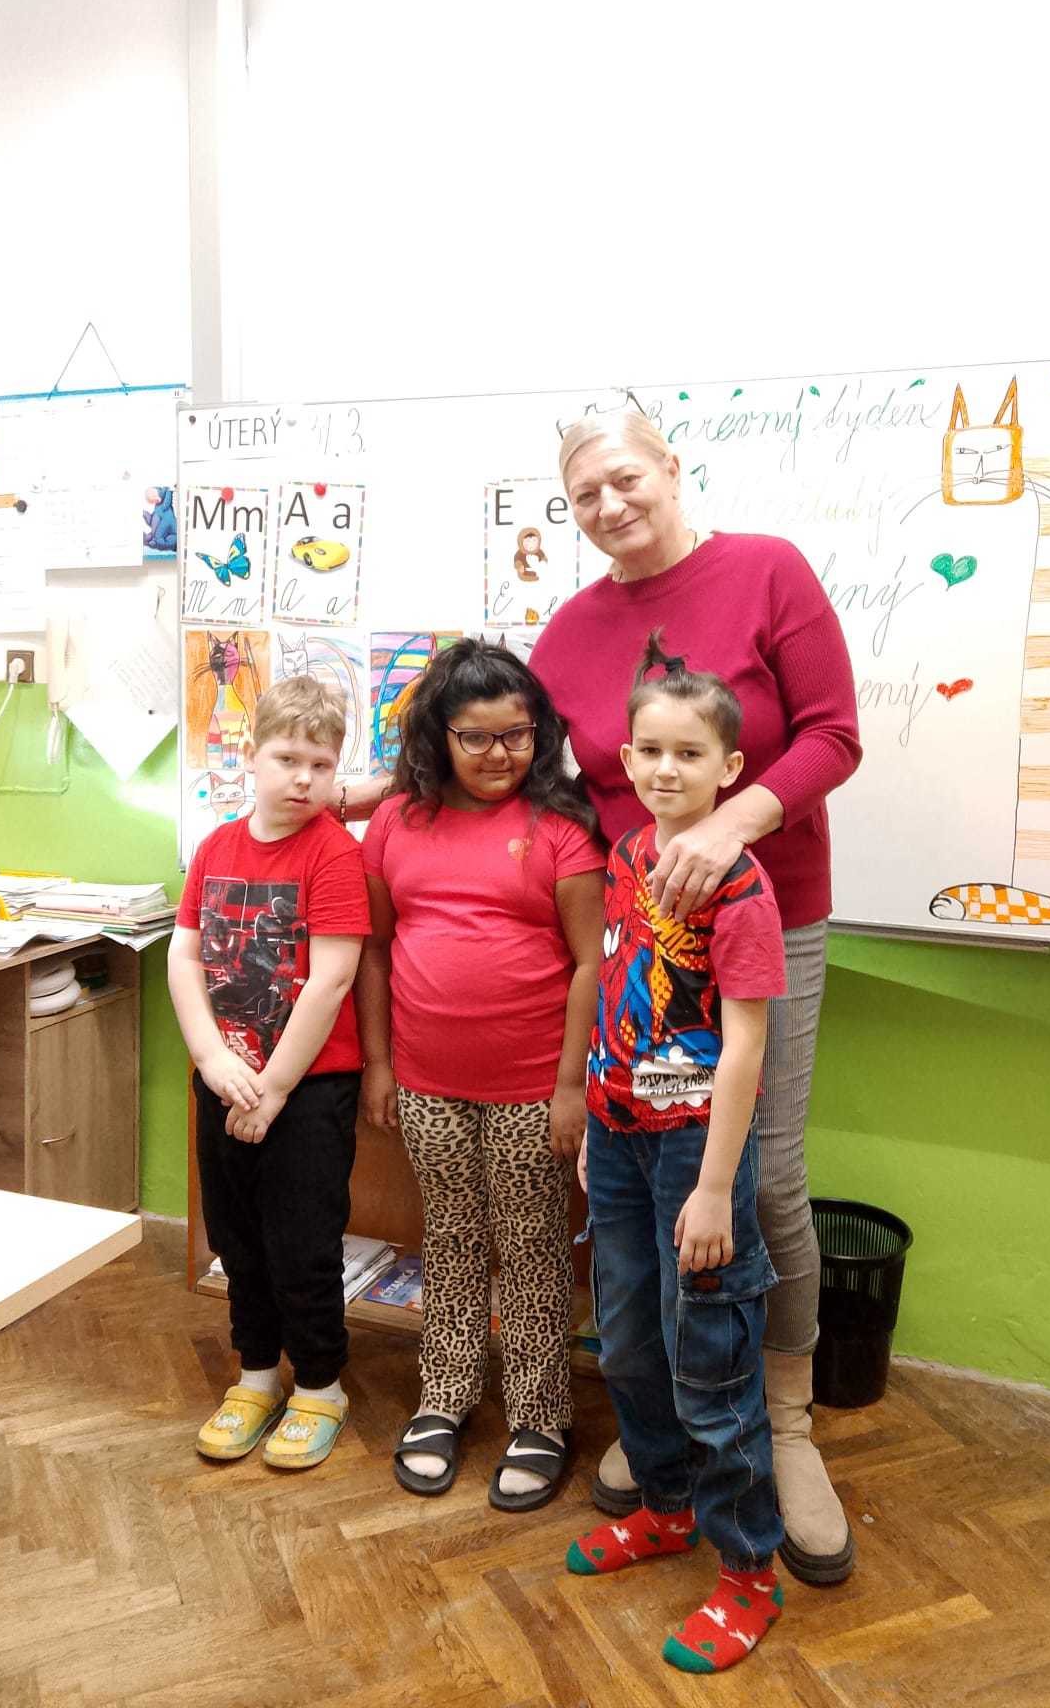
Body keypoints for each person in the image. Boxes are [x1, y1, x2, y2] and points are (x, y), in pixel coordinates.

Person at [531, 404, 862, 1585]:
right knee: (647, 1173)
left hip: (767, 916)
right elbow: (530, 770)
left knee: (757, 1176)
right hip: (637, 937)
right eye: (584, 494)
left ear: (672, 467)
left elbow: (833, 737)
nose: (609, 504)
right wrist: (384, 793)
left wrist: (732, 827)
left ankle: (782, 1423)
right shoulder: (569, 630)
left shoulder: (767, 572)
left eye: (626, 477)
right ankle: (675, 1422)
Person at [566, 634, 787, 1675]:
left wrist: (712, 1189)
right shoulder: (625, 858)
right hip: (618, 1140)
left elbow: (744, 1047)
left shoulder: (738, 887)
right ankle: (665, 1507)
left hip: (697, 1153)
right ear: (625, 757)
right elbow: (618, 985)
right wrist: (596, 1117)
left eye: (689, 754)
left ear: (728, 769)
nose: (665, 769)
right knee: (627, 1342)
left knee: (710, 1361)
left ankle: (748, 1572)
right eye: (649, 751)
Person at [356, 638, 605, 1509]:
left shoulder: (561, 828)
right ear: (440, 736)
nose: (500, 755)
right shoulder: (396, 822)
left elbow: (591, 963)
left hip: (535, 1088)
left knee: (533, 1250)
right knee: (452, 1239)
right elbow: (376, 949)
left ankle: (540, 1416)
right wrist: (380, 1064)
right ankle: (445, 1396)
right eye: (477, 738)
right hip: (426, 1081)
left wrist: (570, 1087)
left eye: (517, 735)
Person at [168, 676, 370, 1470]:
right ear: (250, 756)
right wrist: (212, 1059)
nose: (303, 779)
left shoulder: (335, 853)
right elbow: (185, 957)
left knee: (302, 1244)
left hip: (307, 1089)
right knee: (236, 1239)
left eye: (321, 765)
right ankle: (255, 1375)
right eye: (287, 759)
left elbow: (331, 980)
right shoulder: (216, 847)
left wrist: (277, 1087)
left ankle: (319, 1387)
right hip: (225, 1080)